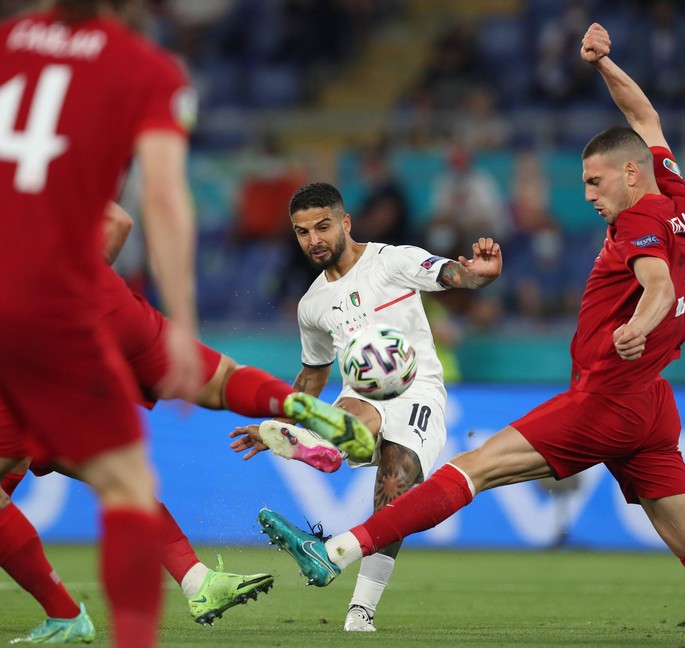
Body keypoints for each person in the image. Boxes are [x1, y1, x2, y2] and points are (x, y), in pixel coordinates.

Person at [253, 24, 685, 640]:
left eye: (594, 182)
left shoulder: (638, 223)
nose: (587, 195)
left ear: (631, 175)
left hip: (607, 395)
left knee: (473, 467)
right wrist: (606, 63)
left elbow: (657, 286)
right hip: (651, 403)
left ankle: (334, 553)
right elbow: (645, 113)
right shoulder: (675, 194)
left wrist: (638, 324)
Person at [1, 201, 369, 641]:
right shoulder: (44, 175)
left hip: (29, 330)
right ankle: (292, 407)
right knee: (216, 384)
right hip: (105, 300)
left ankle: (65, 614)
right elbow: (118, 221)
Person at [0, 2, 205, 645]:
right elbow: (160, 200)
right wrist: (182, 319)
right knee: (127, 483)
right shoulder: (149, 71)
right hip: (49, 306)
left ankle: (64, 614)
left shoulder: (6, 42)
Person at [230, 181, 501, 632]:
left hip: (418, 392)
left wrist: (479, 275)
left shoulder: (392, 260)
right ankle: (321, 443)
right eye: (302, 232)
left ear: (345, 222)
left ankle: (359, 614)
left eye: (322, 226)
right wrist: (277, 423)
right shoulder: (312, 304)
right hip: (361, 396)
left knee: (394, 491)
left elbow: (451, 273)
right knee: (358, 418)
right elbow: (314, 374)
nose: (314, 240)